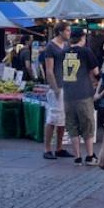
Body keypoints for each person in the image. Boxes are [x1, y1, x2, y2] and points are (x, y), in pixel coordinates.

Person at [60, 28, 101, 166]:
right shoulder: (86, 52)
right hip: (83, 94)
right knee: (87, 125)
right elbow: (95, 71)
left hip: (68, 94)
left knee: (72, 126)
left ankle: (77, 157)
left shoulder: (63, 52)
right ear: (82, 38)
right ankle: (90, 156)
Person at [42, 23, 73, 160]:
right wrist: (54, 87)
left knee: (63, 119)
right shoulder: (51, 46)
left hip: (67, 85)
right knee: (53, 118)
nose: (69, 33)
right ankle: (47, 148)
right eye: (67, 30)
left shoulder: (66, 46)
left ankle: (59, 147)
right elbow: (49, 70)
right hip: (57, 86)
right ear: (60, 32)